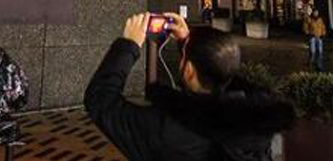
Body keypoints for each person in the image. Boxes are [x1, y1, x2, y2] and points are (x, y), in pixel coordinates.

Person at [84, 13, 295, 161]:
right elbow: (222, 74)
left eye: (184, 57)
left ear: (189, 71)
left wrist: (127, 45)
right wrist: (188, 42)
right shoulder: (259, 119)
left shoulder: (165, 130)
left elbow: (101, 101)